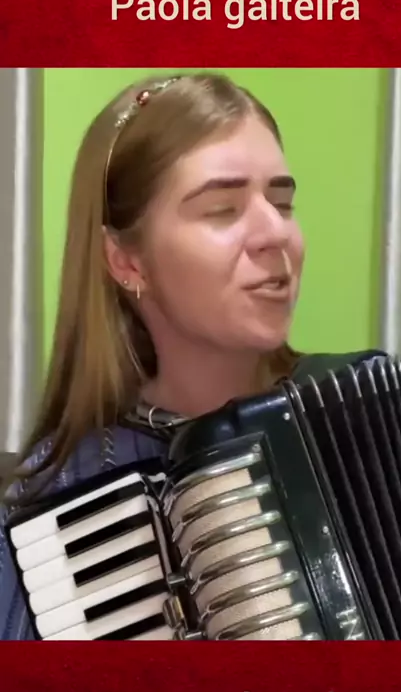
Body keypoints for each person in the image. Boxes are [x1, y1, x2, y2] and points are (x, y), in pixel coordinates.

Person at [0, 70, 381, 640]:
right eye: (222, 209)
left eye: (282, 202)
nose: (274, 233)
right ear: (126, 261)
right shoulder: (53, 514)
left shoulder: (366, 410)